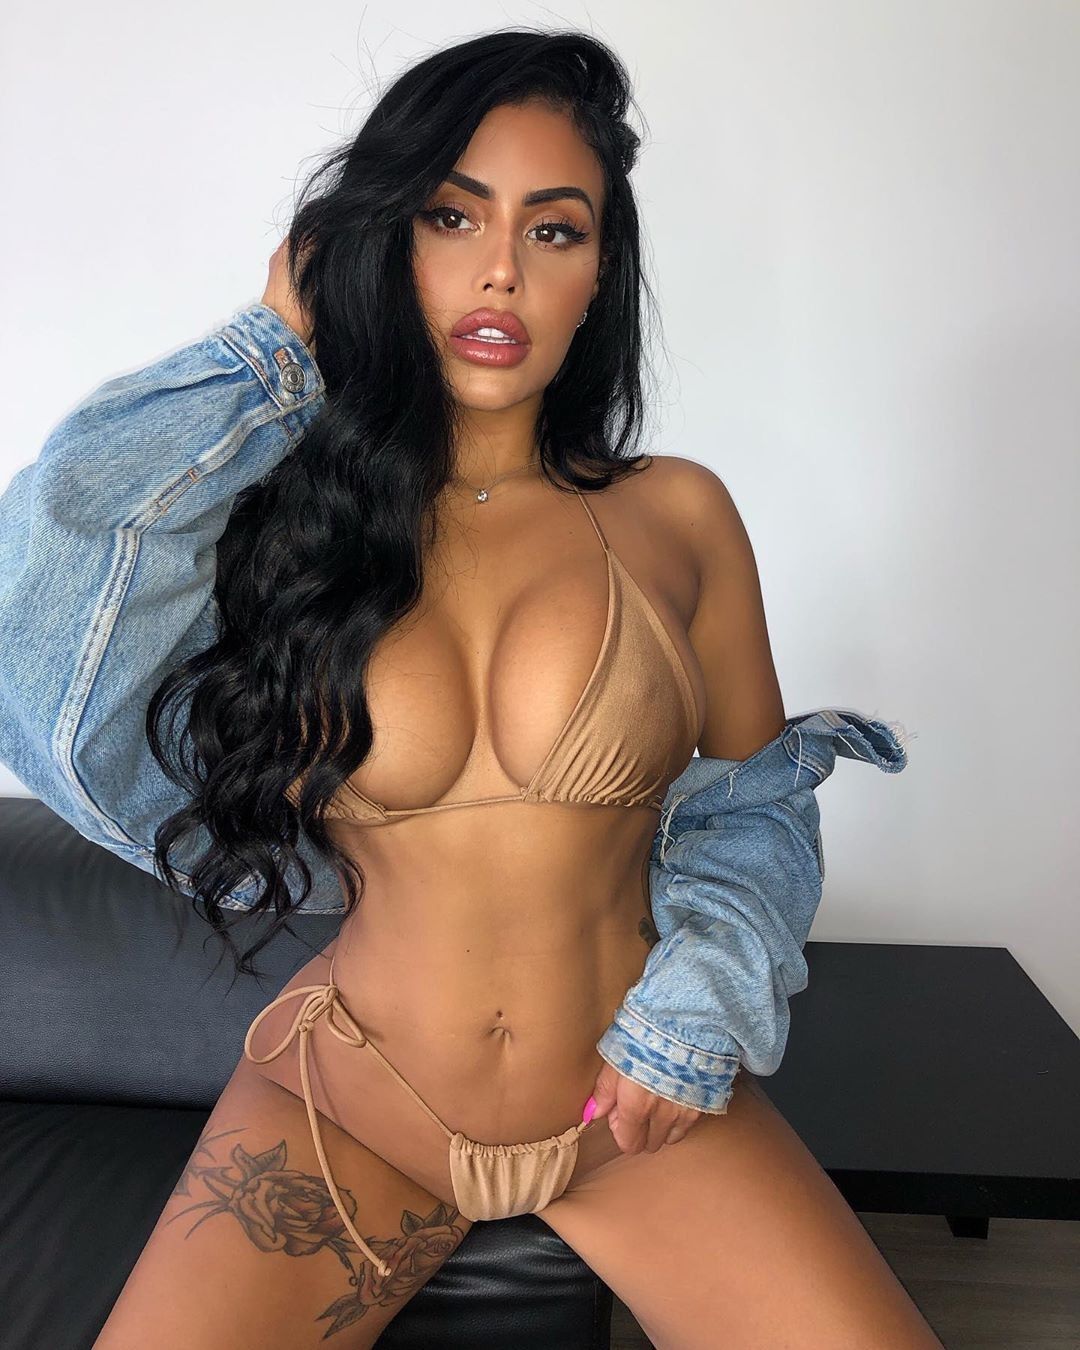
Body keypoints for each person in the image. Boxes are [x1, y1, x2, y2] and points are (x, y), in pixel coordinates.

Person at [1, 28, 942, 1350]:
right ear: (384, 242)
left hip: (629, 1112)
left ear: (599, 273)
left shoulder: (680, 516)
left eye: (554, 230)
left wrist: (698, 1007)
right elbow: (44, 595)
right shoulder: (288, 534)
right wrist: (273, 350)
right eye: (451, 216)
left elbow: (752, 808)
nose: (501, 267)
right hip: (349, 1104)